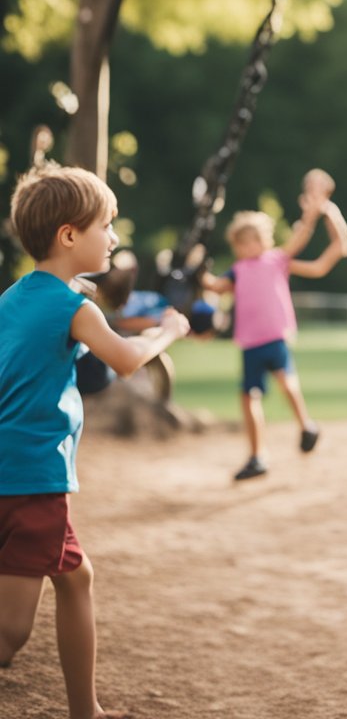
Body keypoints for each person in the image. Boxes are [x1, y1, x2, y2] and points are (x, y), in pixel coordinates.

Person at [0, 164, 190, 719]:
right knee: (9, 634)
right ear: (68, 235)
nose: (114, 237)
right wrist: (168, 331)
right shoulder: (75, 307)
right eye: (106, 225)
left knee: (76, 576)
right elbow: (127, 362)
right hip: (32, 475)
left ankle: (87, 710)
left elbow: (70, 348)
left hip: (9, 467)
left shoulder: (17, 297)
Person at [200, 169, 347, 481]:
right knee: (248, 396)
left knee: (286, 381)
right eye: (238, 245)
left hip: (274, 336)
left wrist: (314, 213)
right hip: (249, 341)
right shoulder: (238, 270)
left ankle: (306, 425)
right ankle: (257, 455)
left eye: (247, 242)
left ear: (261, 240)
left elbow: (302, 237)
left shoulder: (277, 260)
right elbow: (215, 286)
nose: (242, 249)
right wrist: (195, 268)